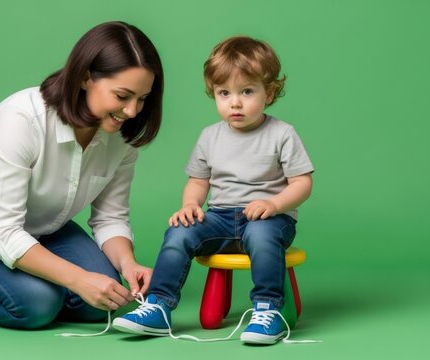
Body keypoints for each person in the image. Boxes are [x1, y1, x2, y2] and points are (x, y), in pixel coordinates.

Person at [0, 21, 163, 329]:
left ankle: (35, 281)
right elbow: (3, 232)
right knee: (38, 304)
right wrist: (78, 279)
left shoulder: (120, 139)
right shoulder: (21, 118)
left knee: (103, 303)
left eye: (142, 98)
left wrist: (127, 263)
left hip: (44, 230)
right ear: (84, 78)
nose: (132, 111)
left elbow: (110, 218)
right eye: (122, 95)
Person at [112, 36, 314, 345]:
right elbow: (198, 180)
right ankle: (159, 307)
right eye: (224, 93)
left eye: (247, 91)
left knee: (261, 236)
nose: (235, 102)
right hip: (219, 217)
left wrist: (274, 205)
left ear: (269, 93)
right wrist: (191, 204)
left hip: (269, 220)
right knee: (178, 233)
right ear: (214, 94)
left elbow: (302, 182)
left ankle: (267, 310)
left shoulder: (282, 134)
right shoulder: (210, 136)